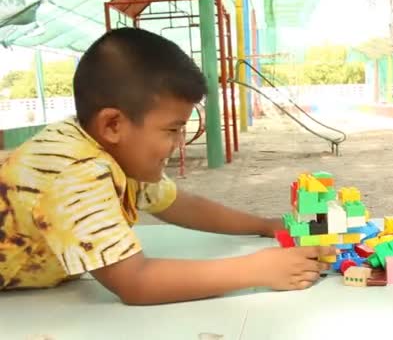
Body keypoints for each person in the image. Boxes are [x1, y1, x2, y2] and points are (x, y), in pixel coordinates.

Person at [0, 28, 335, 305]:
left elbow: (178, 204)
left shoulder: (115, 151)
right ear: (113, 124)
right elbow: (135, 282)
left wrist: (264, 225)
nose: (179, 143)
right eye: (172, 129)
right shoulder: (75, 172)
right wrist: (258, 270)